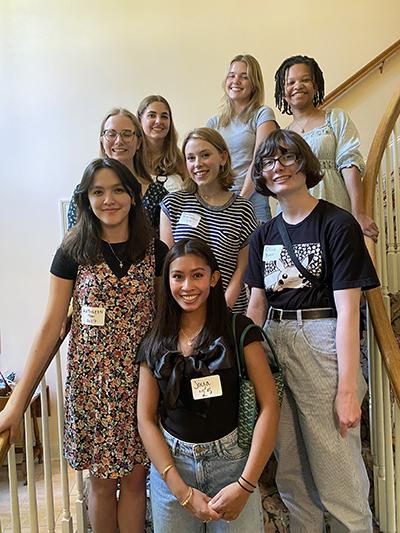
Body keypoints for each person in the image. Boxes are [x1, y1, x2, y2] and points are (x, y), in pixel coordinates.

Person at [0, 158, 168, 533]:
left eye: (118, 190)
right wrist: (17, 402)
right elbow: (51, 326)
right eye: (98, 191)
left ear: (132, 195)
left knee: (138, 480)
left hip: (143, 384)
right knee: (102, 484)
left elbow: (163, 319)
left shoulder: (154, 250)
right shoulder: (73, 250)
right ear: (86, 198)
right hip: (93, 386)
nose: (109, 199)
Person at [245, 129, 380, 532]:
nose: (278, 167)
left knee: (338, 474)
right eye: (269, 162)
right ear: (263, 176)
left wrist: (348, 388)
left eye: (287, 157)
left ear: (306, 165)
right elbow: (256, 304)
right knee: (291, 476)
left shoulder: (337, 224)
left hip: (321, 339)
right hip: (273, 341)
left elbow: (348, 310)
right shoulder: (264, 234)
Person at [137, 238, 279, 532]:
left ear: (214, 278)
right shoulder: (154, 340)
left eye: (197, 275)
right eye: (178, 276)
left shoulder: (238, 330)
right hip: (173, 467)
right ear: (168, 281)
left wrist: (246, 484)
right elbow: (145, 418)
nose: (187, 286)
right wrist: (180, 490)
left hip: (232, 466)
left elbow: (269, 406)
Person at [274, 55, 379, 241]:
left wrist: (359, 213)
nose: (298, 85)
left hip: (334, 207)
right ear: (283, 92)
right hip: (294, 217)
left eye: (305, 80)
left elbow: (350, 164)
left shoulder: (336, 119)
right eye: (291, 82)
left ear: (315, 86)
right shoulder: (282, 136)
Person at [160, 127, 258, 313]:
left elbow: (243, 267)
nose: (198, 164)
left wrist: (223, 307)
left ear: (222, 157)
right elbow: (169, 262)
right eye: (191, 158)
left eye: (205, 155)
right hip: (184, 309)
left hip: (228, 310)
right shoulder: (172, 203)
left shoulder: (242, 208)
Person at [67, 107, 167, 231]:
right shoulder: (82, 192)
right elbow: (72, 242)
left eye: (127, 134)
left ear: (139, 142)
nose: (119, 141)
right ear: (102, 141)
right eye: (111, 134)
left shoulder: (158, 194)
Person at [207, 54, 278, 222]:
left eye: (244, 77)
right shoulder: (214, 123)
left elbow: (260, 160)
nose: (236, 81)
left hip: (253, 202)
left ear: (254, 84)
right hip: (219, 202)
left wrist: (239, 202)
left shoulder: (262, 114)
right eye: (232, 75)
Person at [137, 95, 186, 193]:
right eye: (152, 115)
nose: (159, 121)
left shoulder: (180, 159)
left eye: (164, 116)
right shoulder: (132, 159)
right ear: (140, 120)